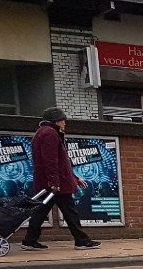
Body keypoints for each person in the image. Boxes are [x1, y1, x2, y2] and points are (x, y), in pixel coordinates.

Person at [22, 106, 99, 250]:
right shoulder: (50, 134)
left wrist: (75, 178)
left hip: (50, 182)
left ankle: (29, 240)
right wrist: (54, 183)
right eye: (63, 120)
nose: (65, 123)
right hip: (57, 184)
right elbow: (51, 161)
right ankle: (81, 241)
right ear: (55, 120)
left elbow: (60, 162)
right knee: (70, 212)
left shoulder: (42, 133)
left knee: (40, 211)